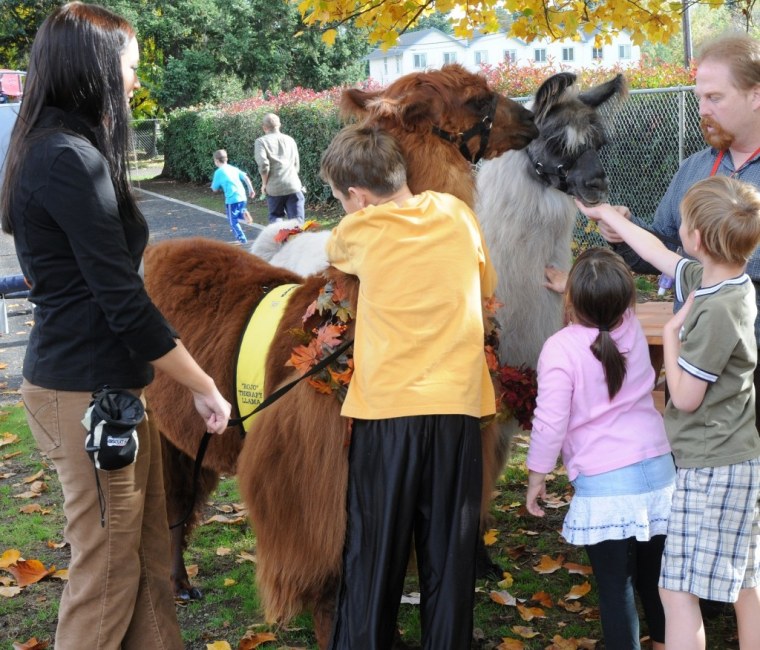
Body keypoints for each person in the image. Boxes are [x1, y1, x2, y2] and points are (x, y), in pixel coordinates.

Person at [0, 4, 231, 648]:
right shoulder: (66, 159)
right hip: (84, 394)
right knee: (104, 573)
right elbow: (122, 302)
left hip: (113, 393)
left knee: (151, 562)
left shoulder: (59, 149)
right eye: (129, 68)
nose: (135, 81)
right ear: (94, 69)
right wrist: (202, 384)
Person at [320, 125, 497, 650]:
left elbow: (339, 253)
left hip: (387, 413)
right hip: (458, 409)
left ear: (357, 198)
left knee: (374, 557)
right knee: (449, 558)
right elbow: (484, 287)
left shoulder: (356, 230)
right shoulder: (458, 216)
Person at [577, 175, 760, 650]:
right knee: (745, 580)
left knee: (676, 589)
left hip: (709, 465)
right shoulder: (726, 282)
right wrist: (609, 217)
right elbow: (661, 256)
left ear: (697, 237)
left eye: (680, 222)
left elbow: (684, 398)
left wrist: (673, 337)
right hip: (737, 457)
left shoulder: (714, 310)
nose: (675, 230)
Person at [595, 33, 760, 424]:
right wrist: (624, 232)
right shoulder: (693, 169)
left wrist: (691, 266)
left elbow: (682, 259)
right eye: (700, 96)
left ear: (755, 95)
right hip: (693, 366)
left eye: (714, 97)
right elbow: (665, 247)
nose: (703, 108)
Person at [526, 247, 674, 650]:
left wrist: (537, 476)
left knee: (615, 589)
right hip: (661, 474)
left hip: (608, 489)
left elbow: (550, 421)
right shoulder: (630, 327)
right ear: (627, 301)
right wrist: (574, 289)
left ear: (572, 299)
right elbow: (607, 312)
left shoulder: (560, 348)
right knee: (656, 581)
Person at [254, 112, 305, 224]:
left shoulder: (261, 142)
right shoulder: (290, 140)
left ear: (264, 127)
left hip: (274, 188)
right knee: (297, 222)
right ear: (279, 125)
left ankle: (281, 241)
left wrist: (264, 184)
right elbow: (296, 164)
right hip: (293, 185)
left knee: (276, 218)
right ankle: (297, 241)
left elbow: (263, 166)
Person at [210, 148, 255, 244]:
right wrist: (251, 189)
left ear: (217, 161)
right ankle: (244, 212)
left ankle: (241, 239)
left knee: (232, 221)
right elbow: (246, 178)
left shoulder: (218, 172)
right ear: (226, 159)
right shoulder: (233, 168)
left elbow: (214, 188)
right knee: (238, 213)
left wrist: (217, 187)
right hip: (242, 197)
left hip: (232, 199)